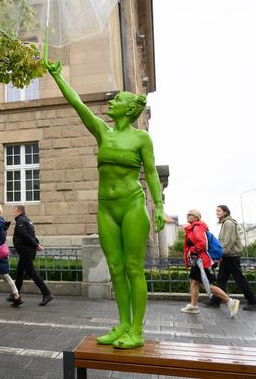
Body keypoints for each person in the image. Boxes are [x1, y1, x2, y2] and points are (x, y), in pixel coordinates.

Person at [44, 55, 165, 349]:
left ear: (130, 108)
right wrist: (57, 76)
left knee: (133, 268)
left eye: (118, 99)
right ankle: (122, 323)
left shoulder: (140, 139)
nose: (111, 102)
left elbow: (150, 173)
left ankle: (136, 329)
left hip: (132, 205)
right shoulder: (103, 132)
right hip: (107, 208)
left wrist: (159, 205)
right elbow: (78, 105)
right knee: (115, 268)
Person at [181, 209, 240, 318]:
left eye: (190, 214)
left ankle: (230, 301)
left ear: (196, 217)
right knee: (194, 282)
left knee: (206, 284)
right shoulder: (193, 228)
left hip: (201, 261)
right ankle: (193, 306)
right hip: (197, 260)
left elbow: (202, 244)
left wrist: (192, 250)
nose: (187, 216)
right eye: (187, 214)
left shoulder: (197, 228)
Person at [203, 205, 256, 310]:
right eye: (216, 211)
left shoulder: (228, 223)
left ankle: (253, 301)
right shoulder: (226, 223)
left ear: (225, 212)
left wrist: (219, 256)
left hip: (231, 256)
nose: (217, 212)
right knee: (221, 279)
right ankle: (215, 301)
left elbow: (228, 241)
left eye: (219, 211)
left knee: (239, 279)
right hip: (228, 255)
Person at [9, 205, 53, 306]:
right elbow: (32, 235)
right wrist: (37, 244)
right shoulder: (27, 220)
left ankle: (47, 294)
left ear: (19, 211)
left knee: (32, 273)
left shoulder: (21, 220)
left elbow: (25, 235)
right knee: (19, 273)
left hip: (26, 252)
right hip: (26, 251)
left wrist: (36, 245)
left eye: (14, 211)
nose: (13, 213)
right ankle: (15, 295)